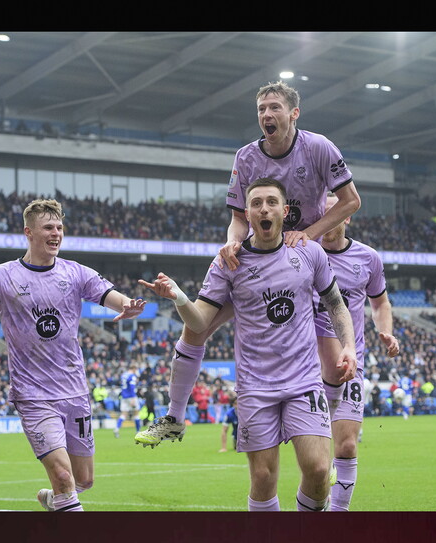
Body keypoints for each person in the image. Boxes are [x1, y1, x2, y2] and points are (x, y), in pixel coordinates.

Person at [135, 80, 362, 447]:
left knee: (334, 360)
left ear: (293, 113)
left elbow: (351, 201)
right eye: (261, 109)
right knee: (196, 328)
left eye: (274, 107)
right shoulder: (245, 157)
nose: (266, 115)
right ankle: (174, 417)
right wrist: (231, 241)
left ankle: (328, 444)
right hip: (257, 257)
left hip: (301, 263)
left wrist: (309, 232)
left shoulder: (318, 147)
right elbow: (239, 217)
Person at [139, 178, 357, 512]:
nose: (264, 208)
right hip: (256, 386)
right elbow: (198, 324)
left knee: (316, 470)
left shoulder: (308, 252)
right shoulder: (229, 261)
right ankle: (173, 417)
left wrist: (349, 347)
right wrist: (179, 297)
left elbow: (336, 304)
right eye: (257, 203)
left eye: (271, 202)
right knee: (264, 477)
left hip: (303, 381)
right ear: (247, 213)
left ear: (285, 211)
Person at [0, 198, 146, 512]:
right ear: (29, 232)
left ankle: (53, 501)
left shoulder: (75, 272)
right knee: (63, 475)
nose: (56, 233)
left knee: (84, 480)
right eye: (48, 228)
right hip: (34, 395)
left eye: (59, 227)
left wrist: (128, 306)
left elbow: (112, 297)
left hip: (75, 392)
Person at [317, 194, 400, 511]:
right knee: (317, 459)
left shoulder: (368, 258)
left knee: (348, 444)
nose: (327, 220)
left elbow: (380, 303)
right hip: (306, 367)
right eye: (322, 214)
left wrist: (387, 330)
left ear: (347, 216)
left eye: (334, 214)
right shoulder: (303, 253)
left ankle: (339, 514)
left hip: (349, 363)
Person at [115, 363, 141, 438]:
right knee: (136, 413)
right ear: (134, 369)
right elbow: (132, 387)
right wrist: (133, 398)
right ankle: (138, 431)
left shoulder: (123, 375)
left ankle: (116, 428)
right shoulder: (132, 376)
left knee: (123, 414)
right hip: (131, 396)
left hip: (124, 397)